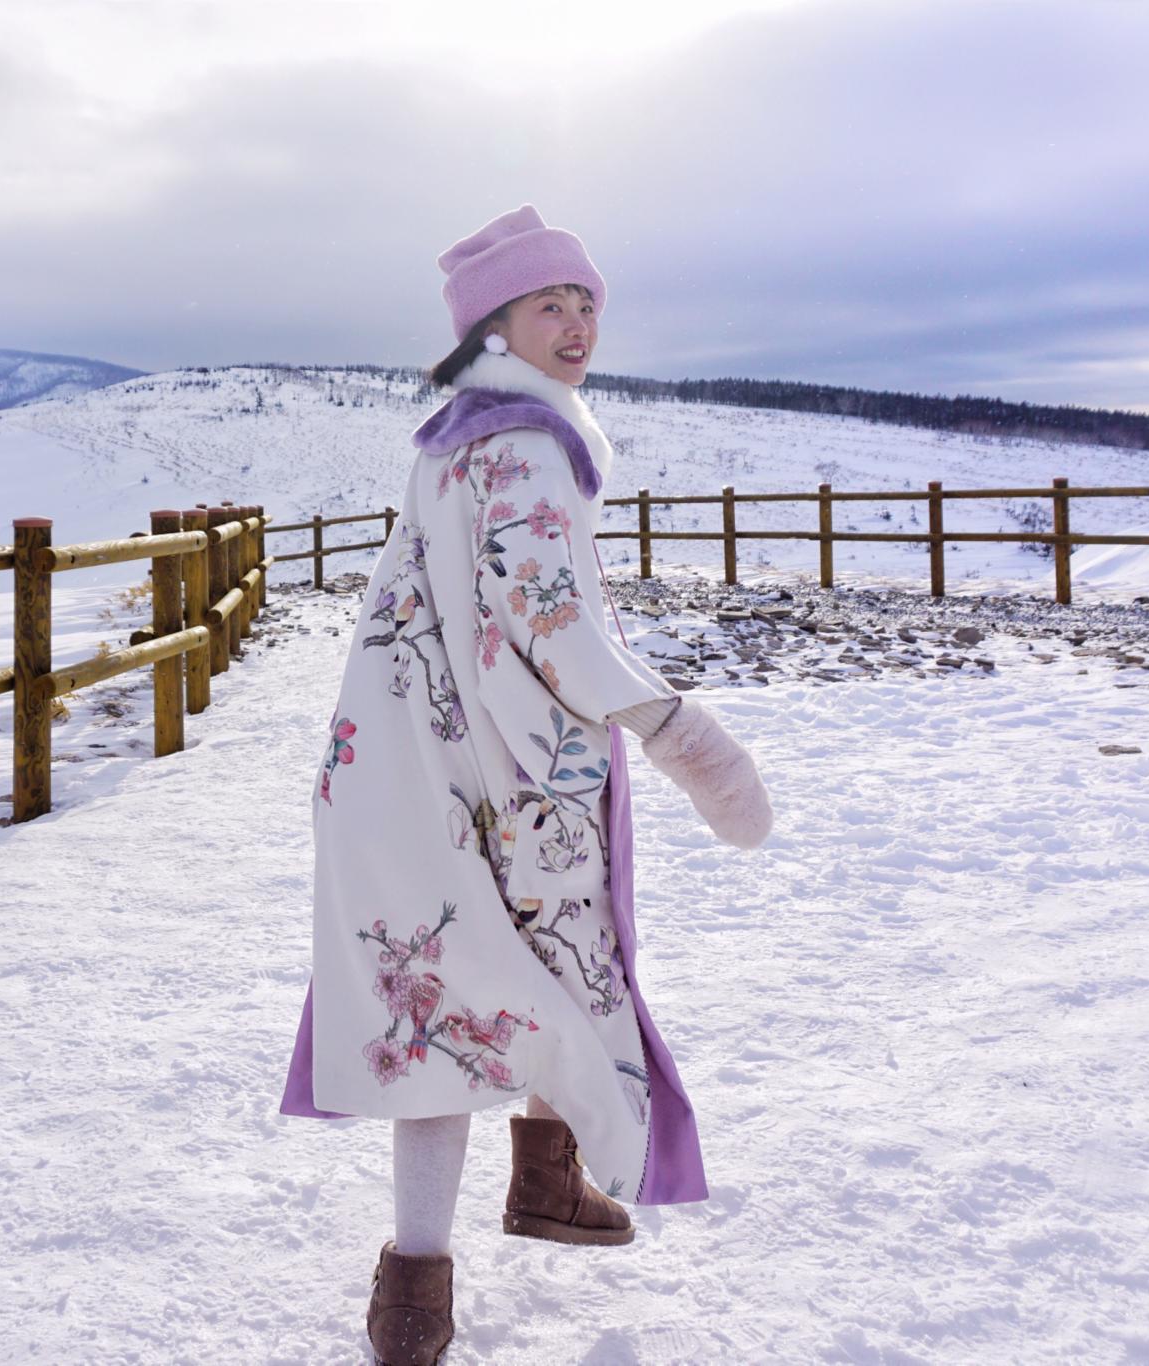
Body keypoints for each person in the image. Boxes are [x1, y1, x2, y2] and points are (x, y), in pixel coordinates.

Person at [277, 203, 774, 1366]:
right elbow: (547, 625)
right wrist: (676, 729)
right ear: (492, 324)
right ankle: (456, 1251)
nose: (576, 322)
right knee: (529, 974)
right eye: (548, 302)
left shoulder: (449, 437)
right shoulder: (530, 443)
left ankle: (436, 1275)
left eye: (587, 300)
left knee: (442, 1001)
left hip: (392, 773)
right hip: (495, 780)